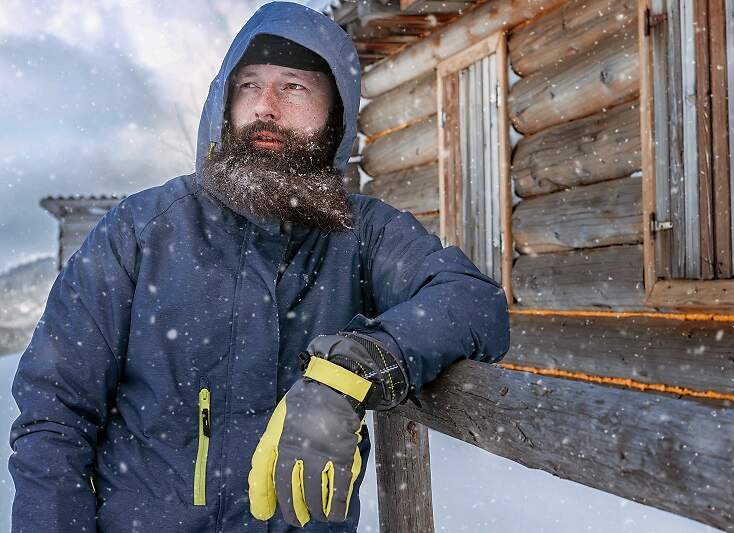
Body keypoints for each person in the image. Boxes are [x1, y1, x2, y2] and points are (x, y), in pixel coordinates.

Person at [8, 2, 509, 532]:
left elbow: (473, 303)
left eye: (294, 86)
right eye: (248, 85)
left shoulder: (361, 235)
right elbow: (53, 412)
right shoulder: (140, 232)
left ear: (336, 113)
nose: (265, 106)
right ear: (224, 101)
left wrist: (354, 369)